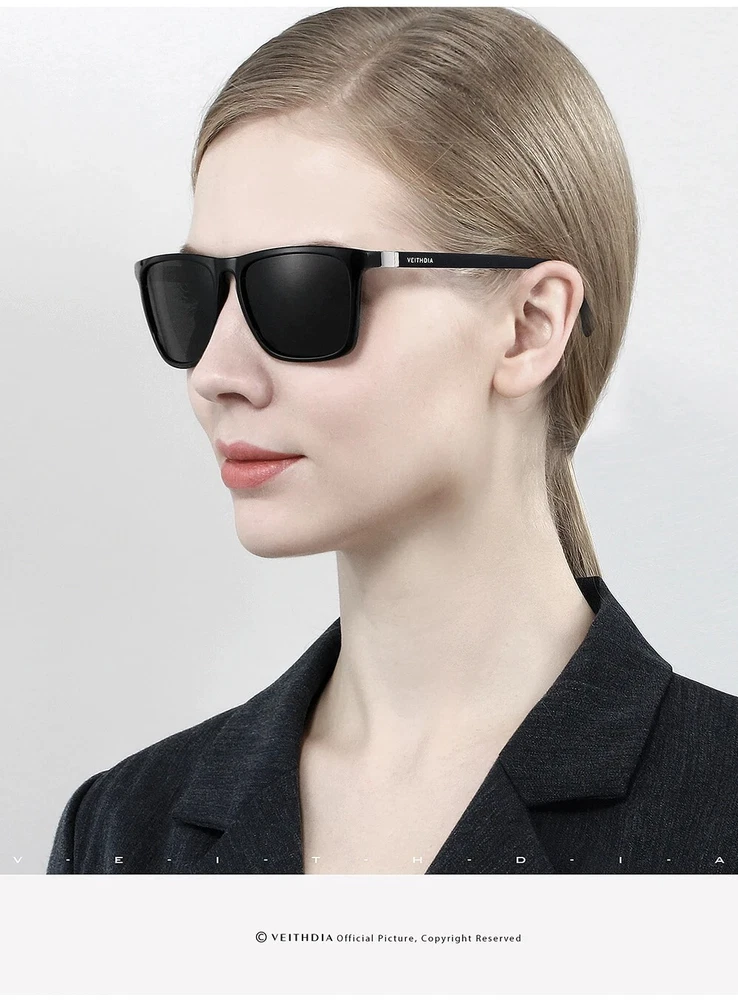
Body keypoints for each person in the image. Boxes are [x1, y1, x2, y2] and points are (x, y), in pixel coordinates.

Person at [47, 6, 738, 875]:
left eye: (301, 290)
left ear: (529, 326)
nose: (216, 373)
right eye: (195, 293)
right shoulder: (121, 829)